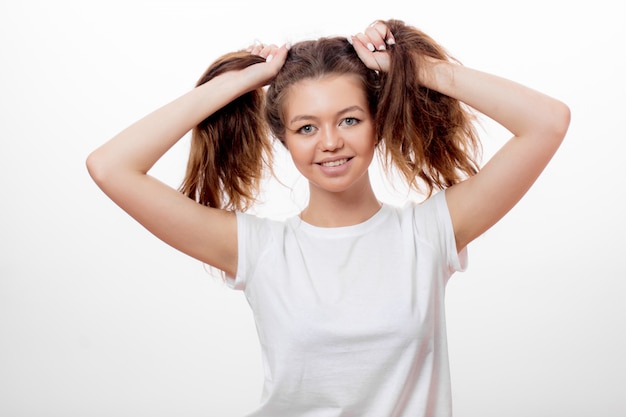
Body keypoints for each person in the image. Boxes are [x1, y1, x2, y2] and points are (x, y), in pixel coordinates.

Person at [86, 19, 570, 417]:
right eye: (306, 127)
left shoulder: (430, 234)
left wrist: (407, 66)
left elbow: (547, 121)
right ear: (284, 139)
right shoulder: (256, 249)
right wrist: (238, 83)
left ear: (377, 124)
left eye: (350, 119)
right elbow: (110, 167)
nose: (330, 142)